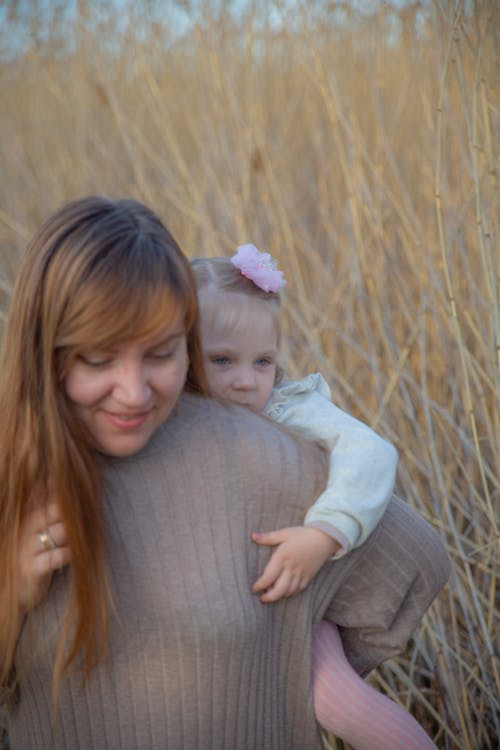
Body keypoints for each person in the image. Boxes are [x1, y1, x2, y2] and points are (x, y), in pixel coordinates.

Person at [0, 197, 450, 750]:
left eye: (162, 355)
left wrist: (295, 652)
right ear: (43, 350)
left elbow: (415, 563)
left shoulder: (254, 451)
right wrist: (12, 590)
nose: (135, 392)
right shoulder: (12, 472)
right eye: (97, 360)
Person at [191, 246, 441, 749]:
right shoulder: (172, 417)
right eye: (222, 360)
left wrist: (325, 532)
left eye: (262, 361)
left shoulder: (287, 409)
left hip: (299, 603)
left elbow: (370, 451)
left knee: (339, 704)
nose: (245, 381)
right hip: (223, 610)